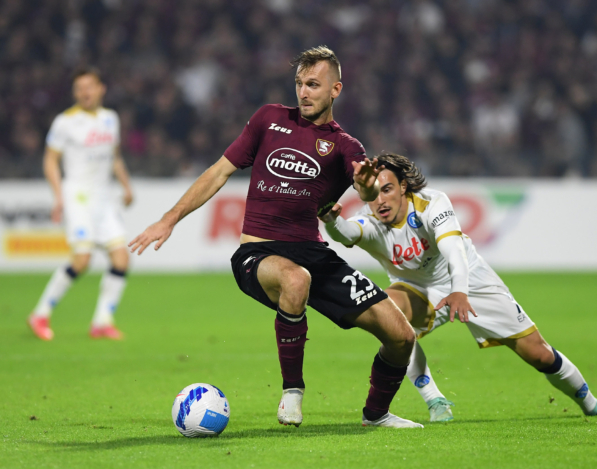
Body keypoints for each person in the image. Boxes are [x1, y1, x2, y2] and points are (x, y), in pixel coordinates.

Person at [129, 46, 422, 429]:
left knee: (401, 336)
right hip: (259, 252)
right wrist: (170, 219)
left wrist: (367, 190)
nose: (303, 92)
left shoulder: (345, 145)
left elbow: (364, 187)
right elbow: (218, 172)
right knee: (294, 279)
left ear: (335, 89)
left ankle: (376, 414)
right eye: (299, 83)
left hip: (314, 253)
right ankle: (292, 393)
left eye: (313, 85)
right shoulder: (268, 119)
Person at [322, 152, 597, 422]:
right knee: (392, 319)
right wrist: (332, 221)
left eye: (388, 189)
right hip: (415, 288)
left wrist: (459, 289)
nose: (381, 200)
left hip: (471, 280)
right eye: (374, 193)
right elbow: (349, 233)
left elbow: (454, 252)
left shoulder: (433, 203)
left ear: (403, 187)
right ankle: (435, 400)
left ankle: (593, 406)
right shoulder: (371, 220)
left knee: (539, 354)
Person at [28, 67, 133, 341]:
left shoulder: (111, 119)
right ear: (75, 93)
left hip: (103, 198)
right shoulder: (65, 122)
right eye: (80, 89)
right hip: (78, 196)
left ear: (101, 89)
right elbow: (50, 160)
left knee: (121, 259)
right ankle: (40, 314)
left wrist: (126, 184)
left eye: (90, 87)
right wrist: (58, 195)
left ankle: (102, 321)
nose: (85, 93)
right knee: (82, 259)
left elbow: (115, 157)